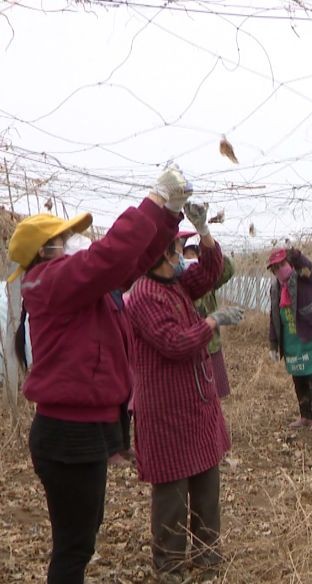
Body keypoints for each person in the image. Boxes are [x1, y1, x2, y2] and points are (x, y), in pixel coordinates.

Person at [7, 164, 191, 583]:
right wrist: (154, 200)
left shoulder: (68, 285)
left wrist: (167, 216)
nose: (74, 243)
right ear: (46, 250)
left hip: (82, 431)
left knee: (82, 536)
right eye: (65, 238)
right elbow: (109, 257)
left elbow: (130, 263)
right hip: (68, 435)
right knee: (74, 547)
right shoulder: (51, 281)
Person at [125, 203, 245, 579]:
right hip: (166, 413)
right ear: (164, 254)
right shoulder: (144, 295)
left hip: (196, 406)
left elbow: (210, 271)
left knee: (207, 486)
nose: (182, 254)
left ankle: (208, 559)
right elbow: (174, 342)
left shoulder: (176, 284)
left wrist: (204, 229)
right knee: (172, 495)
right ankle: (171, 568)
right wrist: (212, 321)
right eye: (178, 247)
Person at [267, 247, 312, 432]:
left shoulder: (303, 277)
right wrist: (273, 343)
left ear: (290, 264)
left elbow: (308, 266)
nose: (279, 270)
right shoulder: (276, 288)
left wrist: (294, 254)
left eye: (282, 264)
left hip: (309, 333)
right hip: (291, 338)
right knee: (298, 376)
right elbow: (274, 316)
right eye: (275, 267)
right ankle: (305, 416)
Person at [182, 236, 236, 398]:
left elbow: (228, 269)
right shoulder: (178, 282)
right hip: (190, 346)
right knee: (194, 392)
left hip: (211, 344)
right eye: (186, 256)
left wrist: (211, 250)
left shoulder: (207, 279)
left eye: (194, 255)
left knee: (215, 392)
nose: (190, 259)